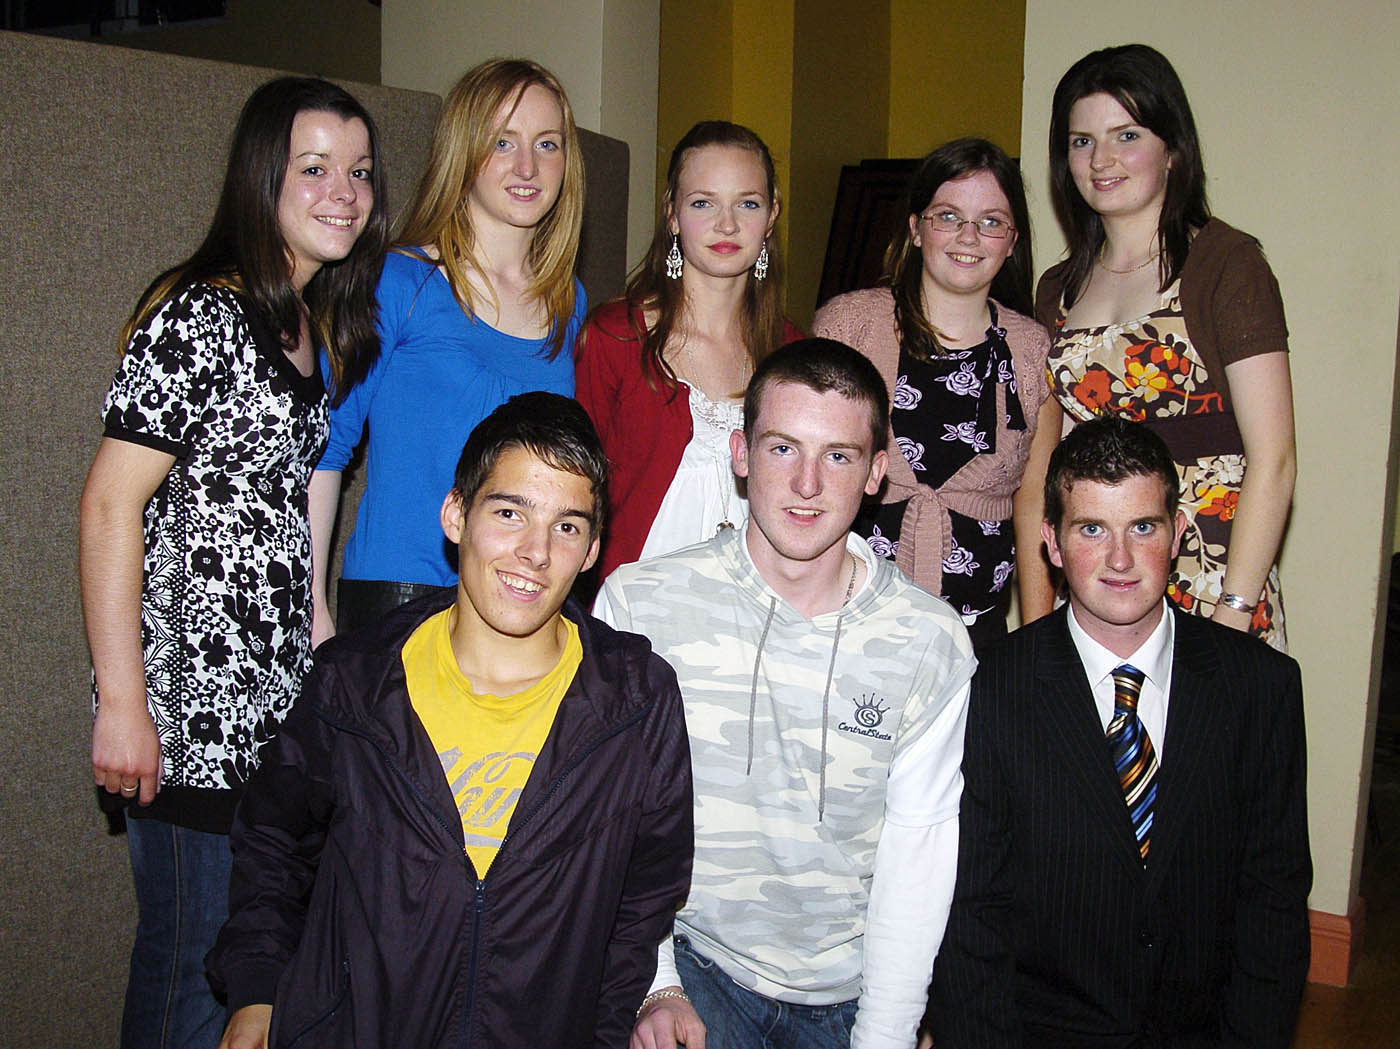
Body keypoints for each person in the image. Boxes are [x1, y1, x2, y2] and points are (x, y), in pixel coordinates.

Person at [208, 392, 693, 1049]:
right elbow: (273, 842)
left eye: (568, 526)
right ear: (455, 514)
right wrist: (259, 991)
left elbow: (644, 900)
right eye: (509, 512)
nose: (535, 551)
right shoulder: (356, 682)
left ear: (592, 550)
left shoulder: (636, 701)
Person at [79, 77, 388, 1049]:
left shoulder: (306, 331)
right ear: (264, 177)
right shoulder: (199, 317)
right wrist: (124, 704)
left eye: (360, 172)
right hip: (184, 717)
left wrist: (322, 666)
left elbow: (283, 532)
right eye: (313, 168)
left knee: (247, 971)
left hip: (265, 716)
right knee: (188, 973)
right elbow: (106, 505)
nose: (343, 191)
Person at [597, 340, 976, 1049]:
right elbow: (609, 818)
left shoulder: (929, 640)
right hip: (695, 972)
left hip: (853, 995)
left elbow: (917, 859)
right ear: (740, 453)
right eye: (782, 449)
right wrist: (656, 986)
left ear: (875, 472)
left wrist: (886, 1034)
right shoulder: (643, 605)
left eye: (837, 455)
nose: (807, 482)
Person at [929, 416, 1311, 1048]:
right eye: (1091, 529)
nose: (1119, 559)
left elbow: (1273, 902)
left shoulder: (1260, 689)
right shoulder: (989, 690)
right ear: (1051, 543)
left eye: (1142, 526)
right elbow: (973, 917)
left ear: (1178, 533)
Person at [1019, 43, 1295, 649]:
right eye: (1081, 140)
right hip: (1096, 576)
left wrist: (1233, 616)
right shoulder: (1057, 290)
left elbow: (1273, 461)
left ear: (1171, 148)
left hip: (1210, 578)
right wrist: (1040, 621)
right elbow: (1044, 465)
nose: (1101, 159)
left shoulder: (1225, 265)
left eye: (1127, 135)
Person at [311, 58, 587, 640]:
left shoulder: (569, 301)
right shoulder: (400, 282)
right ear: (464, 150)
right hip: (401, 597)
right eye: (502, 142)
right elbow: (324, 452)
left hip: (522, 600)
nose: (528, 166)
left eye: (547, 144)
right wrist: (312, 609)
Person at [813, 138, 1051, 651]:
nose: (970, 236)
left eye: (991, 221)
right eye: (948, 216)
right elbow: (805, 479)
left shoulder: (1033, 353)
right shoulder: (848, 327)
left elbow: (1034, 506)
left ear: (1012, 241)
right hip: (845, 628)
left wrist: (1036, 646)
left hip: (977, 641)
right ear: (916, 227)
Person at [575, 120, 802, 585]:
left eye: (748, 203)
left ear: (772, 215)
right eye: (703, 203)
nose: (727, 224)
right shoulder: (614, 337)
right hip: (634, 615)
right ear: (672, 215)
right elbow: (573, 489)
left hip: (760, 611)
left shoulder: (794, 353)